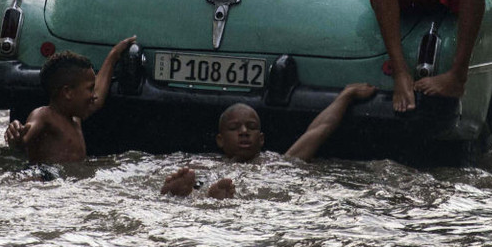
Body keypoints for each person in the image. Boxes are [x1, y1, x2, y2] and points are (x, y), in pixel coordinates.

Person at [161, 83, 377, 199]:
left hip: (257, 186)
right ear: (220, 140)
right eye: (235, 128)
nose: (244, 132)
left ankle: (215, 198)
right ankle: (185, 193)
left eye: (251, 128)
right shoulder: (202, 164)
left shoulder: (278, 162)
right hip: (212, 179)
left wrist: (346, 95)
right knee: (197, 180)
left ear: (261, 139)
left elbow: (318, 130)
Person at [5, 38, 137, 164]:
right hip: (49, 181)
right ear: (67, 92)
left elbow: (98, 97)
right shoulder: (44, 116)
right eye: (89, 89)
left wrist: (114, 55)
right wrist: (16, 137)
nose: (93, 96)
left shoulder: (75, 118)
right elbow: (24, 139)